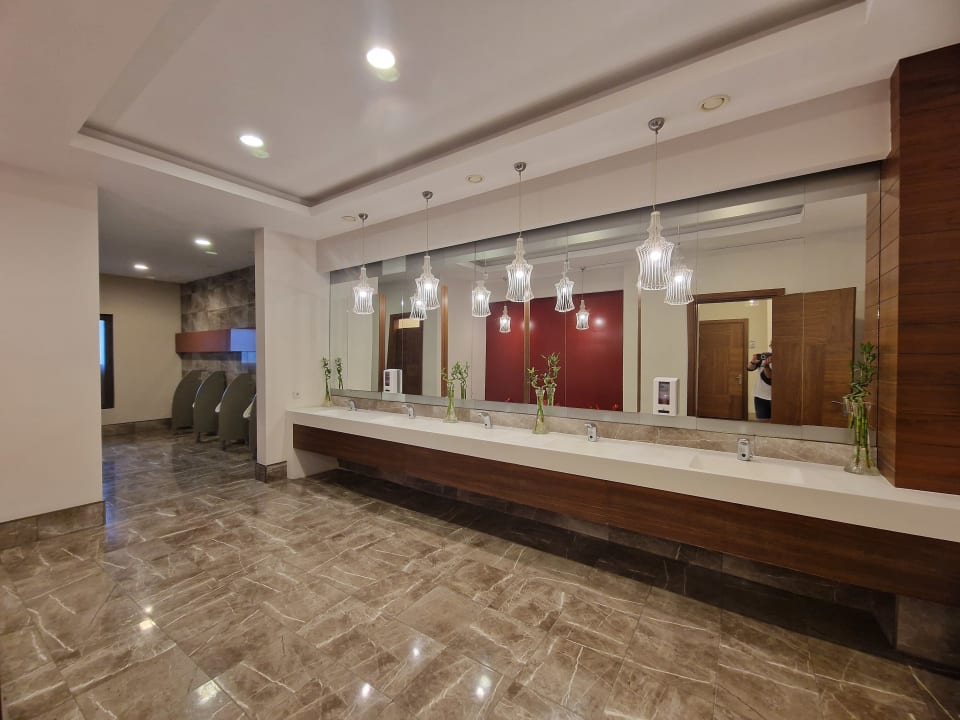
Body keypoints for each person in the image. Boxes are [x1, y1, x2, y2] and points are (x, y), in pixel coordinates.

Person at [747, 350, 772, 421]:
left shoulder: (781, 359)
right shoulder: (764, 356)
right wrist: (753, 362)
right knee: (762, 422)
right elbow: (749, 368)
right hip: (760, 396)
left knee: (777, 423)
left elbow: (769, 377)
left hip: (776, 397)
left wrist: (766, 365)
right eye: (771, 345)